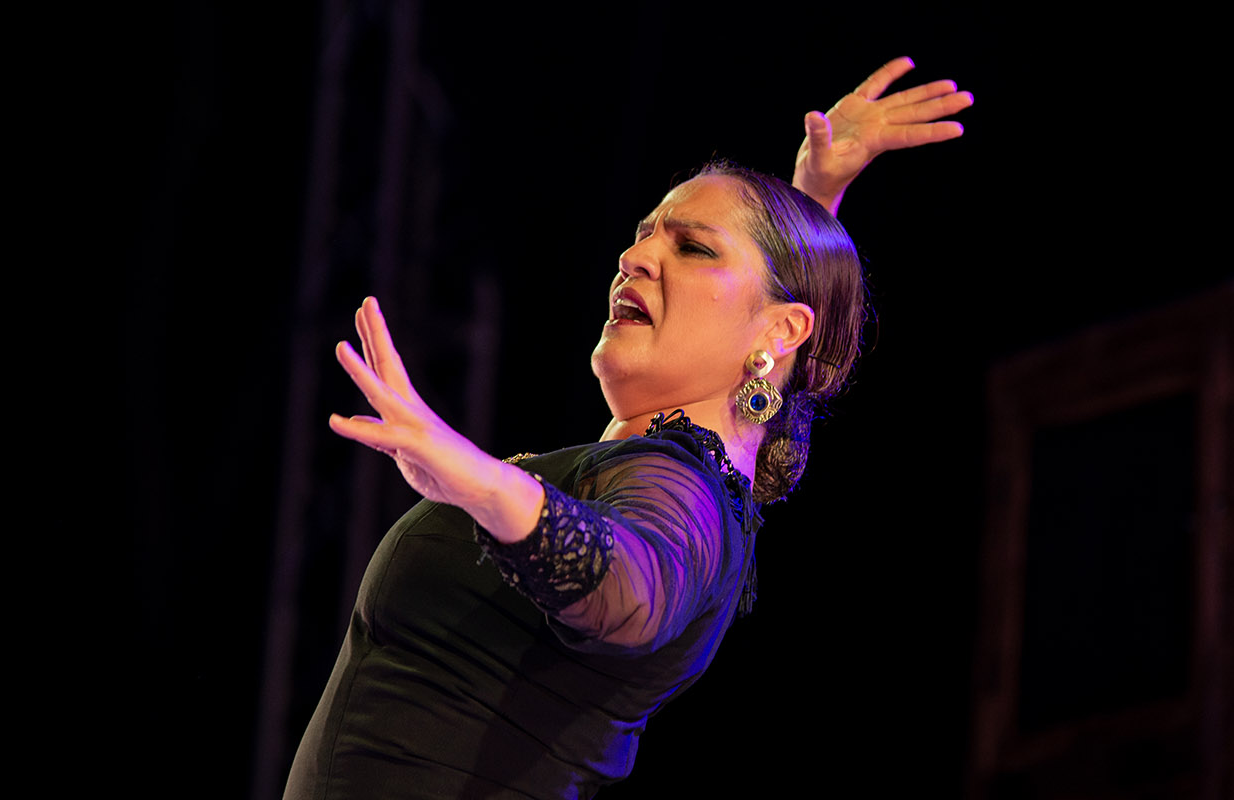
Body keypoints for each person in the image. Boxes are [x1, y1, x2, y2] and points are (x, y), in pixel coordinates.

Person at [284, 57, 972, 799]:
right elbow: (768, 332)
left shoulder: (684, 484)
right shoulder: (688, 479)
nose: (634, 256)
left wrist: (476, 475)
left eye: (691, 247)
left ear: (780, 330)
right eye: (646, 236)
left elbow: (628, 591)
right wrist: (812, 202)